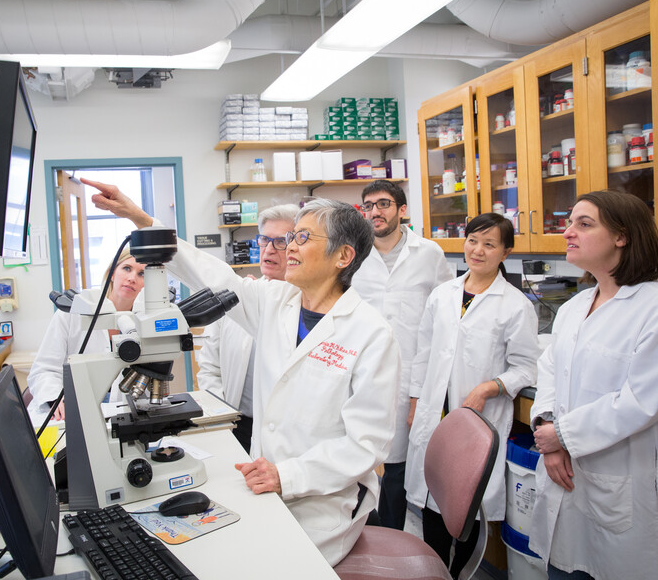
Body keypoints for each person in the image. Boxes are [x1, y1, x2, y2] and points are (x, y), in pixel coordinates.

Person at [83, 177, 400, 567]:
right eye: (292, 237)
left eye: (303, 238)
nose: (289, 247)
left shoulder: (371, 333)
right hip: (264, 482)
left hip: (324, 502)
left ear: (342, 256)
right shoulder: (275, 300)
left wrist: (289, 475)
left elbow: (366, 445)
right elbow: (213, 276)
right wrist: (140, 218)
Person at [529, 191, 658, 580]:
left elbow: (641, 401)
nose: (568, 232)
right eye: (569, 223)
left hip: (627, 491)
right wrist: (547, 433)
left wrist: (562, 436)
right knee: (565, 568)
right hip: (566, 477)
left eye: (584, 224)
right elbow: (550, 372)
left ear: (622, 236)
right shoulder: (574, 307)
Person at [404, 212, 539, 578]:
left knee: (466, 510)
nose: (477, 250)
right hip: (435, 415)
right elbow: (424, 352)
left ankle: (458, 574)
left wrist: (488, 388)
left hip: (476, 422)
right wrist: (416, 402)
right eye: (472, 241)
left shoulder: (515, 305)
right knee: (432, 503)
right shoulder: (442, 294)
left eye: (489, 244)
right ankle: (433, 571)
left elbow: (527, 368)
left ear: (505, 251)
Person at [350, 179, 452, 530]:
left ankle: (392, 543)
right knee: (357, 459)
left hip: (412, 372)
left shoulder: (429, 254)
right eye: (368, 205)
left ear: (401, 210)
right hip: (361, 370)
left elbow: (445, 313)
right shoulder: (353, 255)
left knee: (398, 468)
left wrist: (421, 388)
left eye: (383, 204)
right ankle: (359, 536)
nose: (374, 212)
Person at [197, 203, 298, 453]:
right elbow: (209, 367)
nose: (269, 250)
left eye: (280, 241)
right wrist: (222, 415)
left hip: (288, 432)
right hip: (235, 424)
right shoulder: (235, 299)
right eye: (264, 240)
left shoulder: (308, 307)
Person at [26, 249, 146, 422]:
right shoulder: (73, 313)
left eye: (141, 273)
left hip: (122, 412)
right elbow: (44, 369)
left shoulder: (146, 322)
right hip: (73, 410)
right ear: (112, 273)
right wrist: (54, 398)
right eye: (127, 268)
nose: (132, 278)